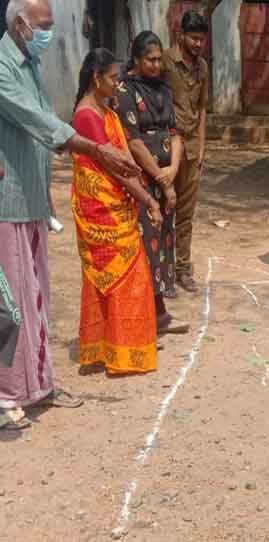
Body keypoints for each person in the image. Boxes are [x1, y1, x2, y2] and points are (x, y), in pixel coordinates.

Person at [0, 0, 141, 430]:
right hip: (8, 202)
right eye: (43, 25)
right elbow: (40, 123)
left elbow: (38, 139)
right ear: (20, 24)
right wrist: (97, 149)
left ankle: (38, 384)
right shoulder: (4, 69)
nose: (48, 32)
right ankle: (6, 395)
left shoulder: (30, 63)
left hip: (33, 200)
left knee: (38, 294)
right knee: (12, 305)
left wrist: (46, 189)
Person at [71, 48, 162, 376]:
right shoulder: (86, 116)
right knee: (128, 277)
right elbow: (116, 169)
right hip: (100, 213)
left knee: (123, 278)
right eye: (112, 79)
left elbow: (123, 164)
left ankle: (113, 350)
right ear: (97, 79)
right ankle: (121, 354)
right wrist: (149, 201)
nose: (117, 85)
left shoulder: (106, 111)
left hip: (117, 205)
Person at [115, 31, 190, 336]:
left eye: (160, 59)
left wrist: (172, 169)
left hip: (166, 178)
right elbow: (133, 142)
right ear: (136, 59)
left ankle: (159, 313)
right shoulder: (125, 92)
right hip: (142, 181)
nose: (157, 65)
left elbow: (174, 133)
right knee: (146, 244)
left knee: (164, 244)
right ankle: (144, 317)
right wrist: (160, 177)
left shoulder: (164, 90)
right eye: (150, 59)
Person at [161, 10, 209, 296]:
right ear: (181, 35)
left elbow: (202, 108)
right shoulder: (165, 61)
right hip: (166, 151)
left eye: (202, 40)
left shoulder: (203, 67)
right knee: (164, 209)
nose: (198, 44)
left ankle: (182, 268)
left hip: (192, 149)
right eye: (193, 39)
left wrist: (202, 148)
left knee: (186, 214)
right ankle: (163, 271)